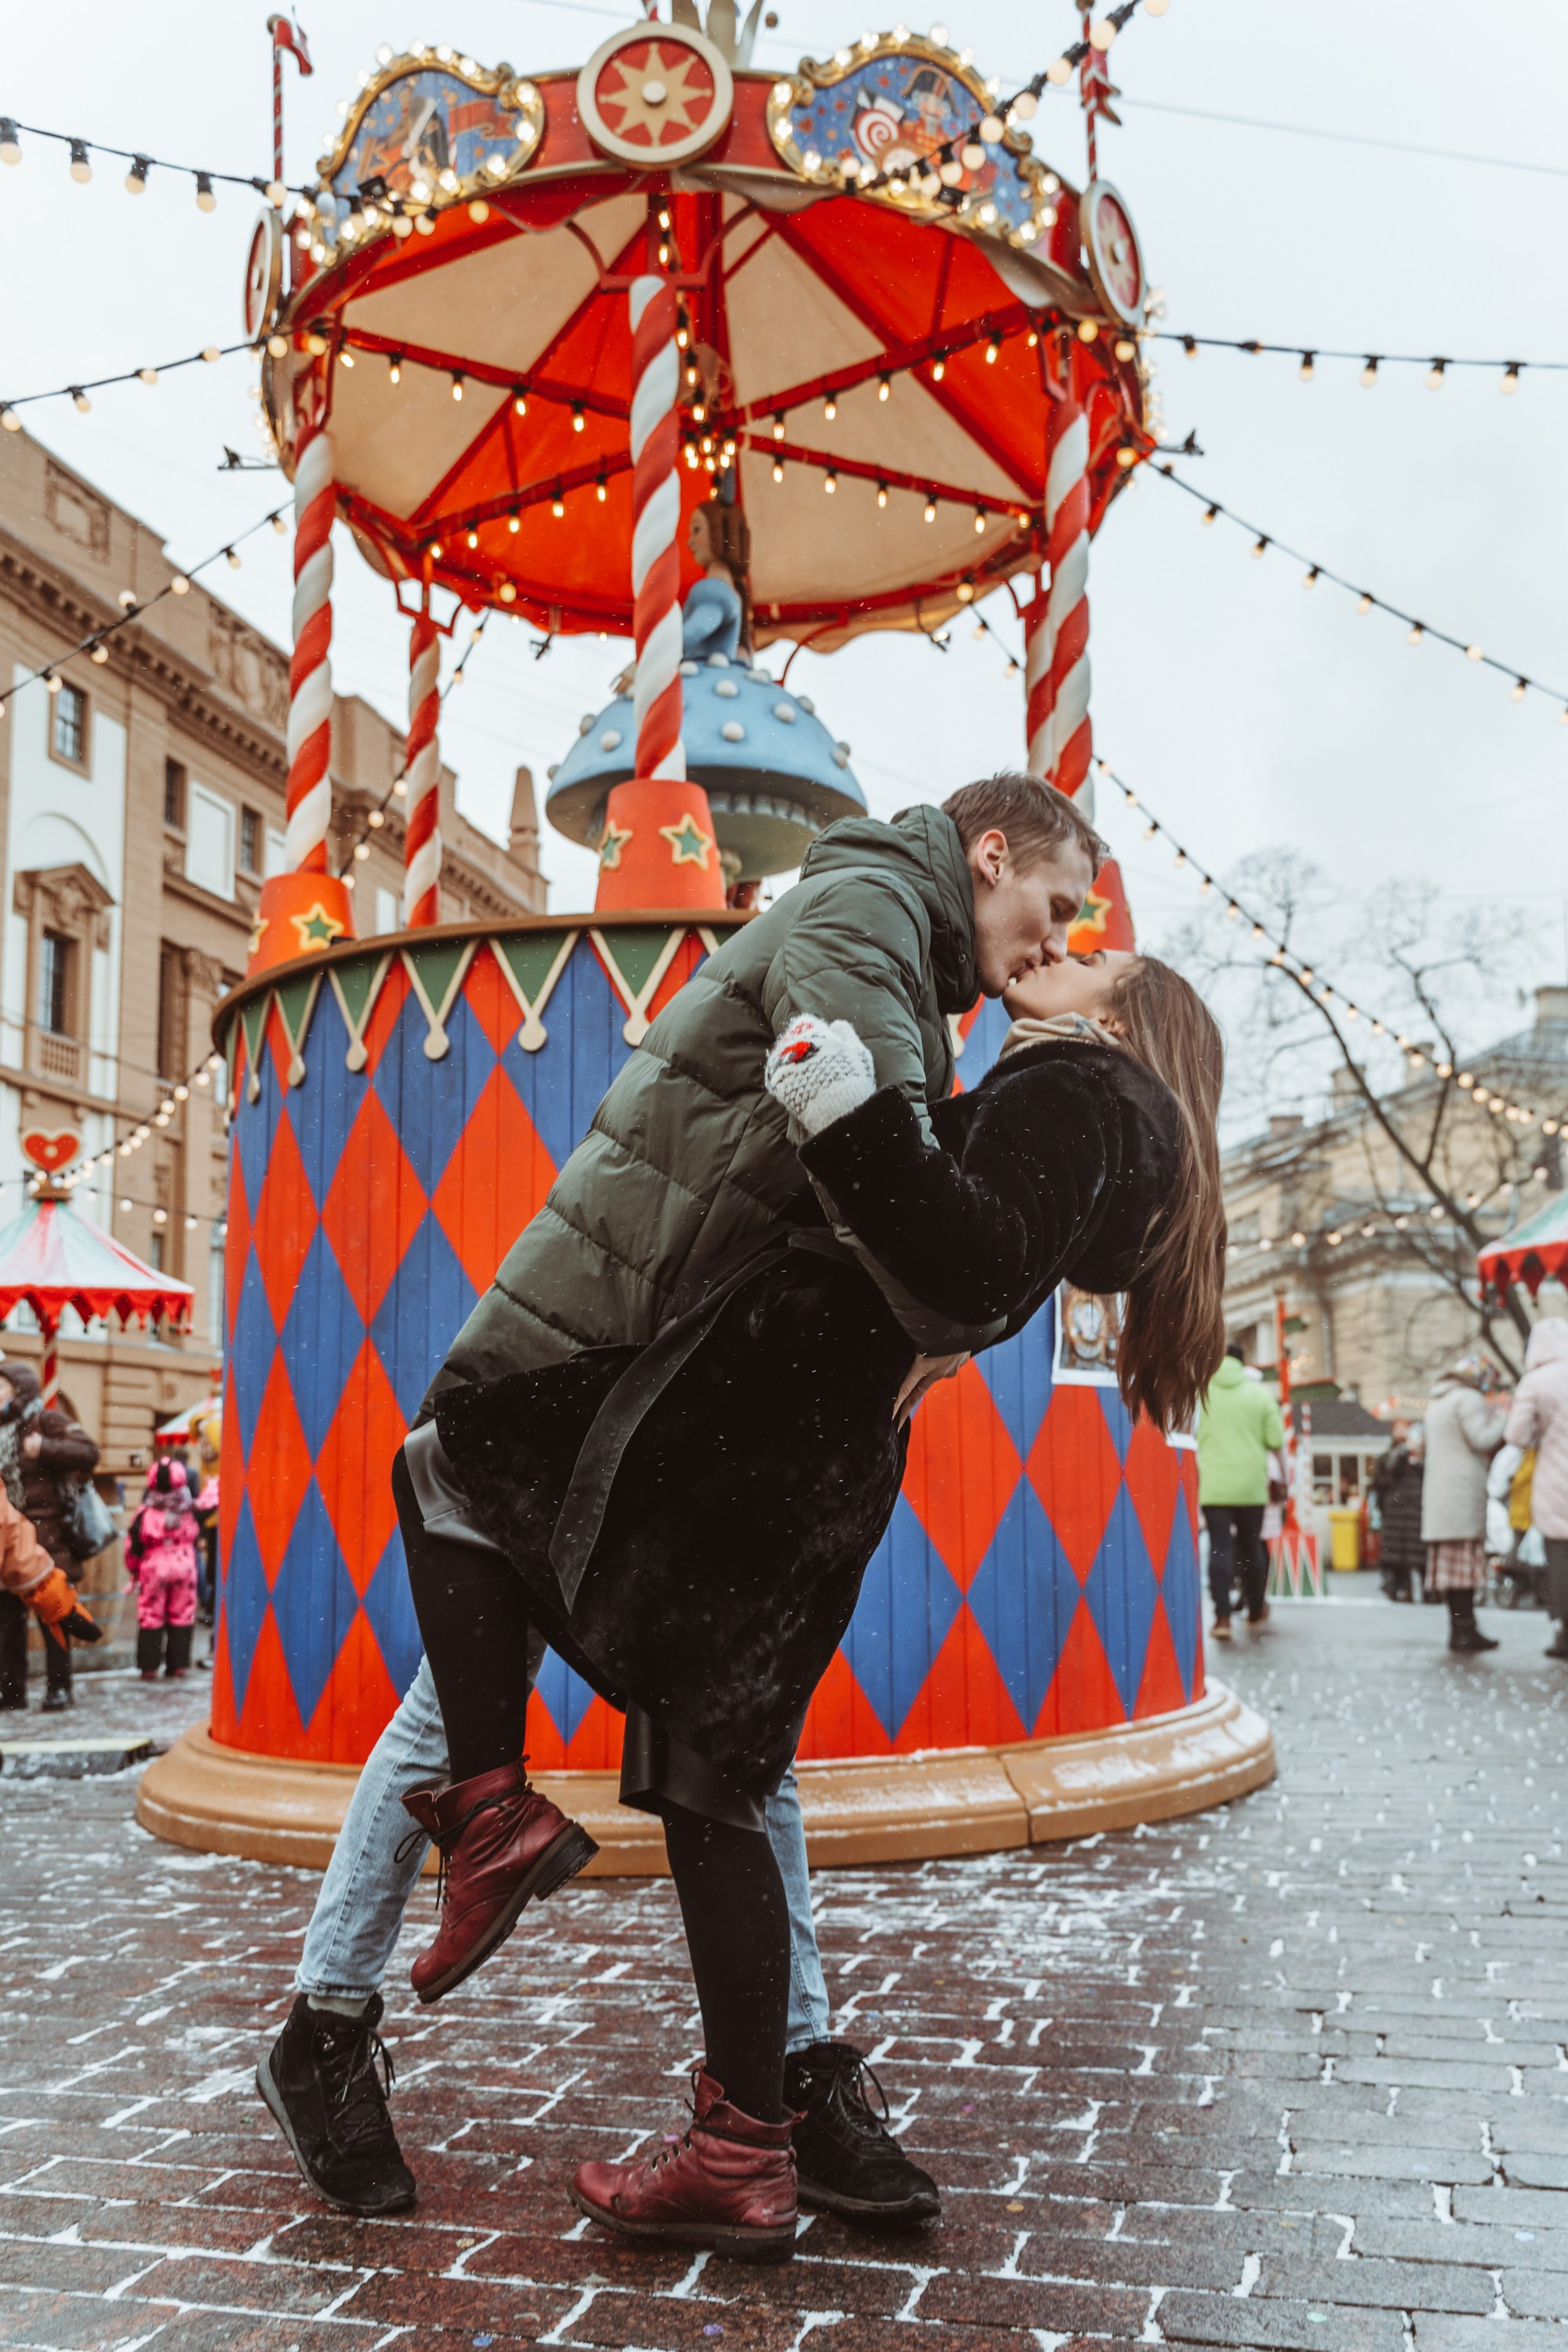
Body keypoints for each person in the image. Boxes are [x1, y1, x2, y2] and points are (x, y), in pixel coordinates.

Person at [258, 774, 1102, 2227]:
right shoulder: (865, 914)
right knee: (508, 1708)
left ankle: (779, 2070)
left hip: (678, 1373)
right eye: (1056, 903)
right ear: (990, 852)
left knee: (731, 1716)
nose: (1057, 935)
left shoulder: (905, 953)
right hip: (600, 1351)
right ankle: (332, 2028)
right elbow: (882, 1182)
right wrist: (956, 1296)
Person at [401, 944, 1224, 2259]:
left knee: (449, 1462)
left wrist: (847, 1105)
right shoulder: (1102, 1116)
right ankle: (739, 2153)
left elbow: (971, 1262)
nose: (1057, 952)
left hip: (769, 1406)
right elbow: (980, 1277)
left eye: (1088, 953)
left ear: (1121, 1019)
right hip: (819, 1440)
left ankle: (493, 1815)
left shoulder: (1081, 1088)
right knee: (709, 1767)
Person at [0, 1361, 100, 1712]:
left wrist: (44, 1448)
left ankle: (59, 1688)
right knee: (8, 1621)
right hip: (10, 1537)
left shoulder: (45, 1421)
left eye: (2, 1386)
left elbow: (89, 1453)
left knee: (53, 1613)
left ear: (20, 1390)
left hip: (49, 1536)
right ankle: (11, 1691)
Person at [1196, 1344, 1284, 1638]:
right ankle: (1255, 1610)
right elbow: (1275, 1440)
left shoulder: (1203, 1394)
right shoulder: (1259, 1395)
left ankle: (1222, 1618)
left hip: (1214, 1485)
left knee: (1219, 1548)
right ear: (1243, 1363)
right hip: (1251, 1486)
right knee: (1251, 1547)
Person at [1422, 1355, 1508, 1652]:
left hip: (1441, 1497)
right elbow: (1482, 1439)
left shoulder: (1439, 1401)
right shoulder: (1467, 1399)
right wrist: (1502, 1416)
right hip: (1462, 1494)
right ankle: (1465, 1632)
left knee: (1452, 1572)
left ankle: (1459, 1629)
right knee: (1464, 1572)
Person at [1504, 1317, 1568, 1661]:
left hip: (1556, 1485)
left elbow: (1516, 1435)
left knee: (1561, 1562)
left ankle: (1566, 1633)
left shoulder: (1536, 1382)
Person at [125, 1460, 203, 1680]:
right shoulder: (187, 1509)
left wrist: (133, 1570)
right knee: (182, 1613)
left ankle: (149, 1666)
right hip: (184, 1564)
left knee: (151, 1614)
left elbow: (134, 1545)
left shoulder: (146, 1511)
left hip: (154, 1566)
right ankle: (177, 1664)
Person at [1370, 1421, 1425, 1602]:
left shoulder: (1423, 1457)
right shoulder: (1390, 1457)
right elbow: (1383, 1478)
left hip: (1416, 1513)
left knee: (1420, 1554)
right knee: (1398, 1557)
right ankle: (1402, 1588)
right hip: (1396, 1516)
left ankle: (1427, 1591)